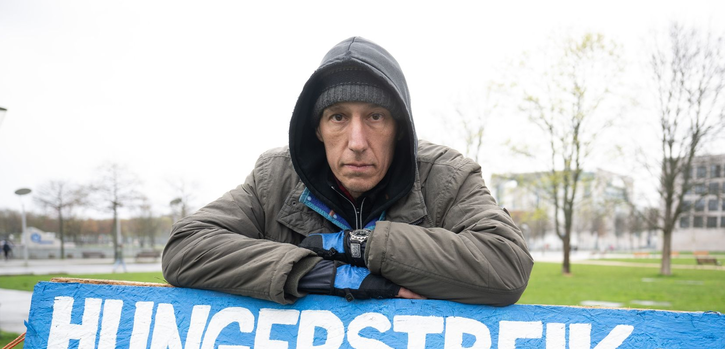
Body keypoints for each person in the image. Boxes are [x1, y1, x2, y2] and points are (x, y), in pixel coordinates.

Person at [162, 37, 533, 307]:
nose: (357, 141)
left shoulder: (446, 177)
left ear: (399, 128)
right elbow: (186, 248)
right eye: (338, 117)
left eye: (375, 117)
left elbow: (505, 266)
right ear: (318, 129)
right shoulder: (274, 178)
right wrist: (323, 273)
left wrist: (361, 246)